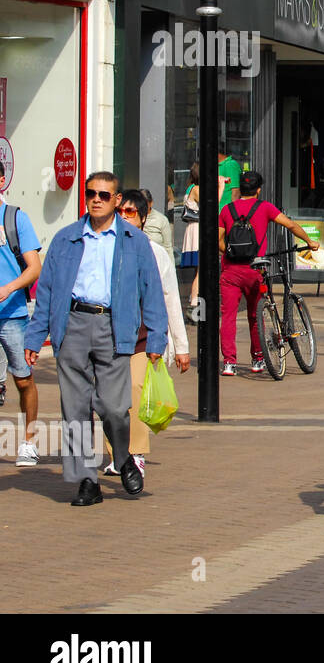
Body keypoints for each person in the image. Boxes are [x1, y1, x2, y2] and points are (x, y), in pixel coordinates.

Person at [23, 172, 168, 507]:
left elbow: (152, 293)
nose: (97, 199)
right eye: (91, 193)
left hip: (114, 326)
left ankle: (124, 458)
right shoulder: (66, 239)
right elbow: (46, 291)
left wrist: (157, 340)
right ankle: (86, 481)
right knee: (74, 410)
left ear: (117, 200)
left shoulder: (135, 241)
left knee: (114, 408)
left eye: (105, 194)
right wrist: (35, 337)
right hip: (71, 325)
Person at [111, 191, 190, 477]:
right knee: (110, 399)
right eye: (120, 212)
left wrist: (181, 345)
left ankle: (136, 454)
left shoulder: (154, 253)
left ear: (144, 219)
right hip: (109, 337)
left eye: (130, 212)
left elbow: (170, 298)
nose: (124, 217)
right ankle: (118, 453)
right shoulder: (106, 247)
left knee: (134, 393)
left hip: (144, 338)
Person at [218, 171, 320, 376]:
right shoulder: (264, 207)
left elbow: (218, 240)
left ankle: (229, 363)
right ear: (258, 190)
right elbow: (290, 224)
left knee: (228, 316)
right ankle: (257, 359)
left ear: (240, 189)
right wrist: (309, 242)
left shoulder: (227, 210)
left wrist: (230, 252)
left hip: (230, 270)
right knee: (256, 315)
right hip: (256, 269)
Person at [0, 194, 42, 466]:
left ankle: (29, 442)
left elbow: (34, 267)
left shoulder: (15, 218)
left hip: (12, 315)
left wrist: (8, 288)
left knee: (23, 380)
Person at [179, 163, 202, 321]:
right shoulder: (197, 189)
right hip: (198, 230)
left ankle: (193, 304)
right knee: (201, 271)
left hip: (193, 229)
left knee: (198, 271)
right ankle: (194, 307)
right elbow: (211, 205)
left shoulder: (190, 188)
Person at [139, 189, 173, 261]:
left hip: (157, 261)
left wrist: (172, 269)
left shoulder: (161, 219)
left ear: (151, 203)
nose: (142, 207)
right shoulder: (131, 217)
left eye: (145, 204)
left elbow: (168, 247)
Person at [217, 145, 241, 210]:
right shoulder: (217, 166)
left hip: (226, 212)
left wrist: (232, 213)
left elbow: (235, 190)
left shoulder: (230, 165)